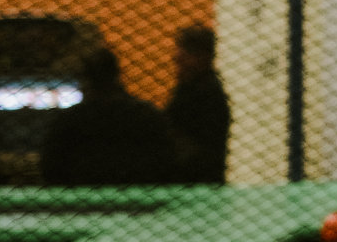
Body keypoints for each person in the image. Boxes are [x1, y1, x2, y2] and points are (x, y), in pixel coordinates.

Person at [39, 46, 180, 187]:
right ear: (117, 75)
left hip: (84, 197)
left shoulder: (69, 121)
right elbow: (167, 159)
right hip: (138, 195)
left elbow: (51, 166)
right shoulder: (145, 114)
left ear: (84, 80)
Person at [163, 23, 231, 185]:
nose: (177, 57)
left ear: (203, 57)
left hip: (198, 181)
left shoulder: (205, 93)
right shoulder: (188, 88)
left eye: (186, 52)